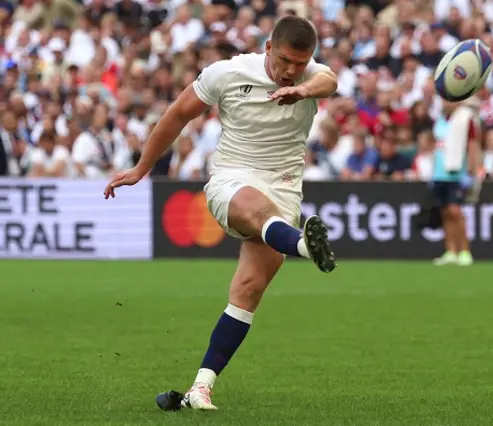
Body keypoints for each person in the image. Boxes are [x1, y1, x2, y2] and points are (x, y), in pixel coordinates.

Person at [103, 16, 338, 412]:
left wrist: (302, 89)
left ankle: (200, 388)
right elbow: (179, 114)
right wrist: (142, 168)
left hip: (284, 189)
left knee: (247, 291)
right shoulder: (228, 74)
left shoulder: (310, 76)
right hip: (232, 179)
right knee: (258, 210)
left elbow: (328, 82)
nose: (291, 70)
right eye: (284, 61)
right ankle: (302, 246)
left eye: (301, 63)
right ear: (267, 47)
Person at [430, 97, 480, 266]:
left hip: (456, 172)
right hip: (439, 172)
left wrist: (472, 171)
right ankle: (450, 250)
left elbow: (472, 146)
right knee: (445, 212)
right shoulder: (439, 120)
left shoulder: (465, 119)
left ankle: (465, 251)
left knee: (455, 212)